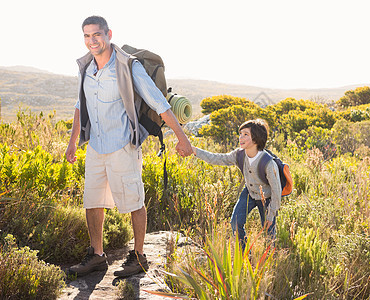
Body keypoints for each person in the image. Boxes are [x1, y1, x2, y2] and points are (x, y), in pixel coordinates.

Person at [65, 15, 192, 278]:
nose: (92, 40)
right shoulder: (86, 67)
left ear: (108, 34)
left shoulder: (127, 65)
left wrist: (182, 137)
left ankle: (139, 256)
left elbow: (158, 101)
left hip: (123, 145)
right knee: (92, 201)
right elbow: (80, 104)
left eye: (96, 34)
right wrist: (72, 143)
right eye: (87, 36)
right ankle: (97, 256)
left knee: (134, 201)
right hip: (96, 147)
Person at [191, 119, 281, 250]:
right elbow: (218, 158)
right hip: (249, 192)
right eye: (240, 134)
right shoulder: (239, 154)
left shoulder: (268, 163)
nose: (241, 137)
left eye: (246, 134)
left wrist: (271, 214)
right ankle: (243, 253)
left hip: (267, 198)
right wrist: (195, 151)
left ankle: (270, 259)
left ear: (256, 139)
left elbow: (276, 191)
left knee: (269, 232)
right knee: (235, 223)